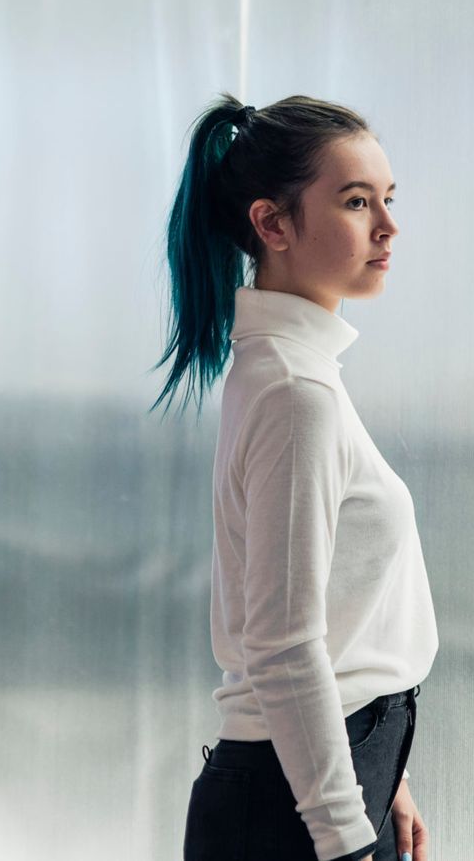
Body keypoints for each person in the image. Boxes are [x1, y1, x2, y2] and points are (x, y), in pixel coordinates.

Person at [152, 93, 436, 861]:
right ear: (272, 225)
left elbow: (334, 614)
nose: (388, 226)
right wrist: (346, 834)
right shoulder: (294, 393)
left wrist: (385, 781)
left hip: (309, 787)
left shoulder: (293, 374)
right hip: (289, 818)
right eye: (354, 201)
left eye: (387, 199)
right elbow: (281, 642)